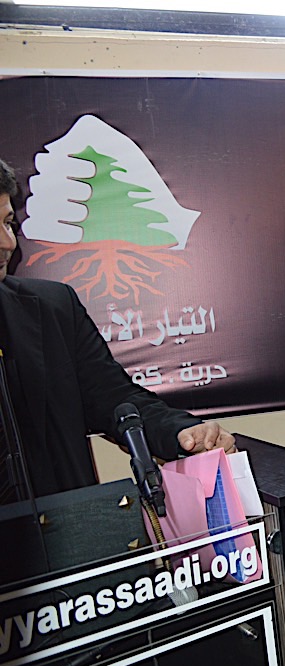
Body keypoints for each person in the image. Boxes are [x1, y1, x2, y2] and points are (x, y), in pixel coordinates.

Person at [0, 158, 234, 503]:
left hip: (63, 528)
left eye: (8, 223)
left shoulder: (52, 309)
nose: (7, 243)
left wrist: (182, 433)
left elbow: (114, 399)